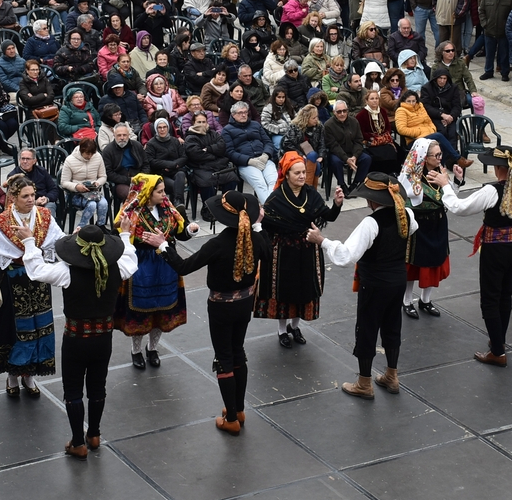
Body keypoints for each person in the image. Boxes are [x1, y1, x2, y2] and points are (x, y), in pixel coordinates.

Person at [139, 191, 269, 433]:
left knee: (224, 358)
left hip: (221, 308)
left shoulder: (217, 245)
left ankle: (231, 418)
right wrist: (259, 226)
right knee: (238, 351)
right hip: (244, 304)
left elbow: (184, 267)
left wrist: (163, 245)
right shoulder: (257, 238)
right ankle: (239, 409)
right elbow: (269, 255)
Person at [20, 223, 138, 457]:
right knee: (98, 386)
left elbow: (36, 271)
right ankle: (94, 434)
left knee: (73, 389)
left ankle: (77, 443)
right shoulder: (119, 268)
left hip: (75, 339)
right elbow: (129, 256)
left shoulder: (66, 271)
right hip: (104, 339)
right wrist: (125, 232)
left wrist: (28, 241)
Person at [306, 171, 418, 398]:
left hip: (375, 284)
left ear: (372, 200)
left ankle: (364, 383)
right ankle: (391, 375)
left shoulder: (371, 223)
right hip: (398, 279)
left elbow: (347, 256)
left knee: (367, 328)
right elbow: (412, 229)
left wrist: (323, 241)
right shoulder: (406, 213)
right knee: (392, 324)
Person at [433, 147, 512, 366]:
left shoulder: (492, 191)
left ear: (497, 168)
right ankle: (498, 341)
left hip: (494, 249)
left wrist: (446, 185)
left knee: (490, 298)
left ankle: (497, 351)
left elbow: (459, 207)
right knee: (504, 294)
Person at [0, 175, 65, 397]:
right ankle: (13, 376)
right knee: (17, 330)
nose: (31, 199)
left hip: (39, 280)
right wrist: (14, 259)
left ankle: (30, 376)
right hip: (14, 283)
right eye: (26, 196)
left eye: (33, 195)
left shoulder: (44, 216)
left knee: (39, 328)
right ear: (13, 198)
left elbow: (58, 239)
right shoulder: (2, 221)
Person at [254, 152, 344, 347]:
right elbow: (267, 225)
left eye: (303, 172)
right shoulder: (276, 198)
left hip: (307, 250)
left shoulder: (311, 194)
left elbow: (328, 216)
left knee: (304, 289)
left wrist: (337, 205)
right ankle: (281, 330)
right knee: (285, 291)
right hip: (284, 253)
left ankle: (295, 327)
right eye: (297, 173)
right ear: (287, 174)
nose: (302, 176)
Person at [114, 173, 198, 369]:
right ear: (147, 193)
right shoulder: (132, 213)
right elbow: (120, 238)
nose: (164, 194)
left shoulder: (169, 210)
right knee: (140, 311)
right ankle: (136, 351)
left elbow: (181, 233)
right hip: (142, 265)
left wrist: (191, 230)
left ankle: (153, 349)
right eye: (159, 192)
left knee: (162, 309)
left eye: (163, 191)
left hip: (166, 264)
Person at [397, 138, 460, 318]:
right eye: (437, 155)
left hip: (438, 223)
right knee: (413, 265)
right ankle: (407, 301)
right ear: (425, 157)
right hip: (420, 226)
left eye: (441, 154)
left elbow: (451, 200)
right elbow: (409, 202)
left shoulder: (441, 172)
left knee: (435, 261)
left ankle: (426, 300)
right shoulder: (412, 178)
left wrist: (457, 181)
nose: (441, 158)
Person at [60, 138, 109, 225]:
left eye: (92, 154)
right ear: (81, 150)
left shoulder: (98, 157)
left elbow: (103, 176)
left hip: (93, 192)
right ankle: (81, 228)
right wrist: (76, 186)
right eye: (87, 153)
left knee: (103, 203)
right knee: (92, 205)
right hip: (75, 194)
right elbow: (64, 182)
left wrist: (98, 183)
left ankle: (100, 226)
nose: (89, 156)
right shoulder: (70, 160)